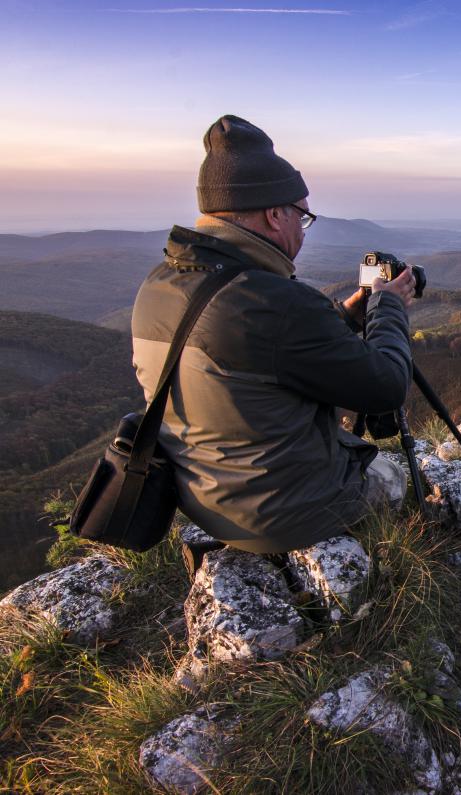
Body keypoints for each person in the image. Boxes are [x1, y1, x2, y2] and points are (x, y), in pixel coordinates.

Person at [130, 114, 415, 562]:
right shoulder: (273, 301)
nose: (302, 230)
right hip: (285, 517)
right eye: (303, 216)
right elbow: (386, 384)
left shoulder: (159, 284)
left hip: (202, 500)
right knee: (392, 477)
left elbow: (262, 357)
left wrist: (345, 314)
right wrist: (388, 304)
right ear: (274, 212)